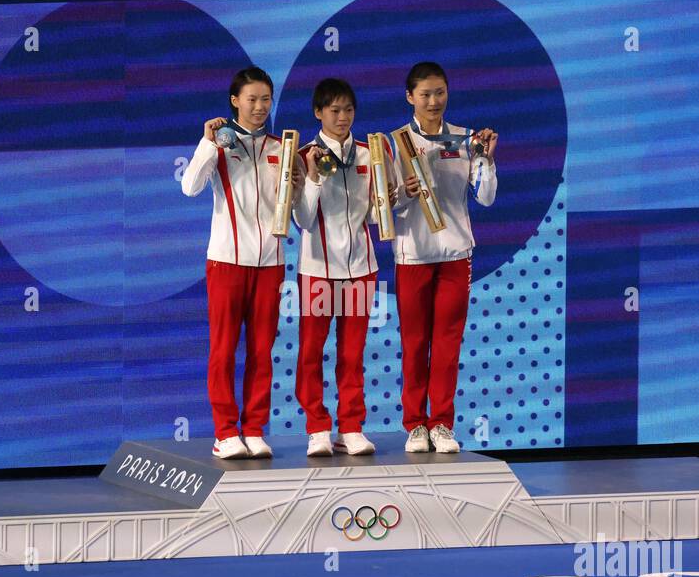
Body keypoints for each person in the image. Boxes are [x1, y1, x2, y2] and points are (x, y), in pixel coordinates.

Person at [182, 66, 303, 459]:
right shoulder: (220, 143)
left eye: (265, 99)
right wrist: (207, 144)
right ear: (235, 101)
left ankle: (253, 429)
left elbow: (296, 211)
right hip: (227, 262)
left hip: (270, 263)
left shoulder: (281, 147)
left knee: (261, 350)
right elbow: (190, 187)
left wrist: (301, 186)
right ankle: (224, 432)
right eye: (251, 99)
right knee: (223, 348)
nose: (259, 107)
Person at [389, 61, 498, 453]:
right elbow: (382, 207)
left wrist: (486, 159)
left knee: (448, 343)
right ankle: (415, 424)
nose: (434, 101)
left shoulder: (467, 139)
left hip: (455, 254)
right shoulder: (393, 143)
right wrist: (405, 191)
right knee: (415, 343)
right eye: (425, 94)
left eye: (440, 93)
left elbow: (485, 198)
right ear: (409, 97)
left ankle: (442, 424)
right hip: (413, 254)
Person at [294, 78, 396, 457]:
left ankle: (350, 427)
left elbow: (374, 215)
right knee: (311, 351)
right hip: (318, 268)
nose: (342, 117)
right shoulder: (302, 155)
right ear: (318, 113)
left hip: (360, 268)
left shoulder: (372, 154)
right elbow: (302, 219)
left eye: (348, 110)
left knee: (352, 354)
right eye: (334, 110)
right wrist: (315, 180)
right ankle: (317, 426)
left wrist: (390, 199)